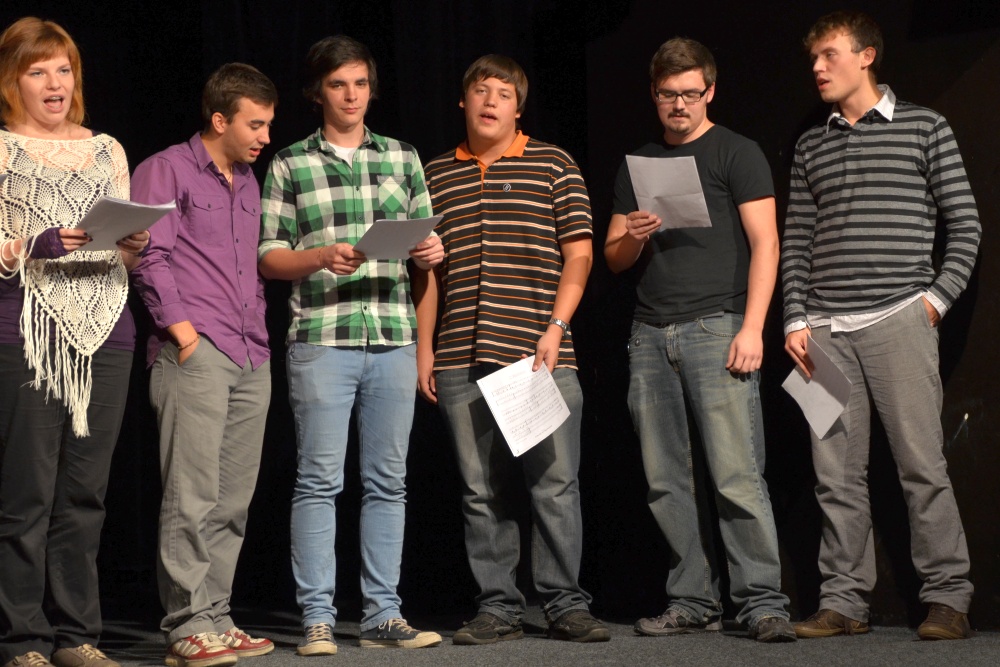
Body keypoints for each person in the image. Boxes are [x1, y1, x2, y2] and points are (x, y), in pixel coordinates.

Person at [781, 11, 980, 641]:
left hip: (899, 319)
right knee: (834, 476)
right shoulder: (811, 145)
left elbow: (966, 225)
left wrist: (934, 303)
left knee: (921, 466)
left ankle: (947, 598)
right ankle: (843, 601)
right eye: (813, 58)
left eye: (830, 54)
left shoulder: (925, 126)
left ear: (867, 56)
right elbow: (797, 241)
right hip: (822, 332)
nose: (818, 67)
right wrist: (794, 317)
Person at [604, 37, 794, 643]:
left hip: (718, 326)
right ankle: (692, 598)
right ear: (654, 95)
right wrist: (634, 234)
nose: (679, 104)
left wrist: (753, 327)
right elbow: (614, 257)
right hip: (650, 333)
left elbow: (767, 243)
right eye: (668, 94)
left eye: (689, 93)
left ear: (710, 91)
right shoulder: (639, 163)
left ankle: (762, 602)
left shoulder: (736, 151)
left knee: (737, 473)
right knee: (666, 479)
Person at [415, 54, 609, 645]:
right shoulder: (435, 173)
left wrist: (557, 326)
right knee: (481, 491)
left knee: (554, 485)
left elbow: (580, 255)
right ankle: (497, 606)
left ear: (518, 108)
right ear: (464, 101)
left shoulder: (553, 163)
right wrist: (425, 350)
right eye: (481, 90)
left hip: (537, 353)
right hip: (459, 355)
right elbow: (427, 273)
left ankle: (565, 602)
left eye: (503, 93)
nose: (491, 101)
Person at [258, 35, 443, 654]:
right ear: (318, 92)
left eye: (360, 84)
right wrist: (320, 257)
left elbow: (425, 249)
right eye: (338, 84)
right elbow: (268, 256)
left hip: (391, 336)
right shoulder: (290, 162)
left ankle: (383, 614)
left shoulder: (402, 156)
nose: (351, 95)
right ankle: (317, 615)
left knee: (389, 482)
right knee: (319, 480)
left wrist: (430, 250)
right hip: (322, 338)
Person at [0, 17, 149, 667]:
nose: (54, 82)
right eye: (38, 71)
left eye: (63, 69)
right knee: (27, 493)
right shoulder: (2, 150)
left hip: (107, 328)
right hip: (28, 330)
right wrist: (35, 243)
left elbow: (123, 252)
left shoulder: (107, 149)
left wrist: (134, 244)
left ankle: (77, 635)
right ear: (12, 82)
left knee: (85, 494)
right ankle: (22, 639)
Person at [130, 63, 277, 666]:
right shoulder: (166, 168)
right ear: (220, 119)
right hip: (196, 349)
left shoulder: (248, 181)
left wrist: (257, 329)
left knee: (232, 500)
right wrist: (182, 332)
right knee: (190, 495)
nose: (265, 136)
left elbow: (248, 265)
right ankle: (186, 622)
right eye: (255, 124)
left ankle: (217, 615)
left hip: (250, 350)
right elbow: (148, 256)